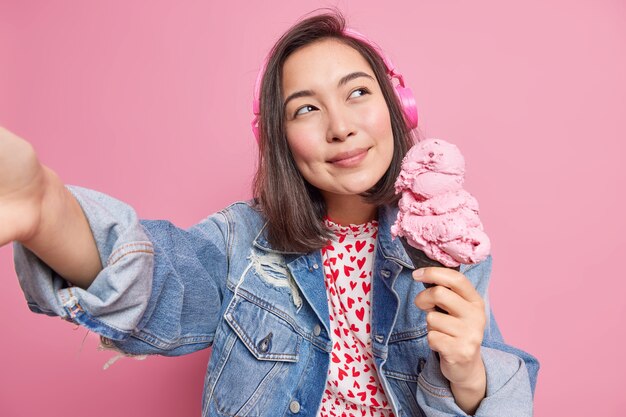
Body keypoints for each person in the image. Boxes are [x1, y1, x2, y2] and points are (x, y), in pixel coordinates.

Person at [1, 9, 538, 417]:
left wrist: (466, 371)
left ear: (400, 106)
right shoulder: (241, 243)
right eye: (306, 108)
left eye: (357, 93)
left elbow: (502, 396)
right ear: (279, 140)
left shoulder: (441, 246)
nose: (340, 126)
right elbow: (158, 279)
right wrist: (45, 210)